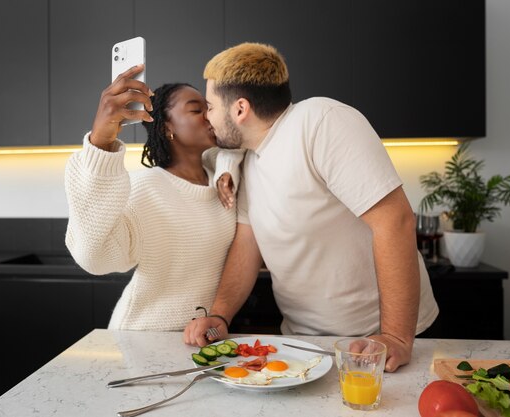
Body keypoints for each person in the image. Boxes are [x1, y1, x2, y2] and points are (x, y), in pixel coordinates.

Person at [183, 43, 439, 372]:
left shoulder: (320, 122)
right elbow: (247, 243)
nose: (207, 117)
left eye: (210, 106)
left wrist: (395, 336)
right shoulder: (250, 157)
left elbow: (395, 220)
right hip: (302, 345)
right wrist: (219, 314)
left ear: (241, 109)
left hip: (381, 344)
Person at [65, 65, 243, 331]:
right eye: (197, 110)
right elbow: (95, 258)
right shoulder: (147, 187)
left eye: (209, 108)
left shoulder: (221, 180)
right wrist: (101, 142)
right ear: (166, 128)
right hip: (143, 337)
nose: (209, 116)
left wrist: (227, 167)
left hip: (202, 338)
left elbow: (240, 147)